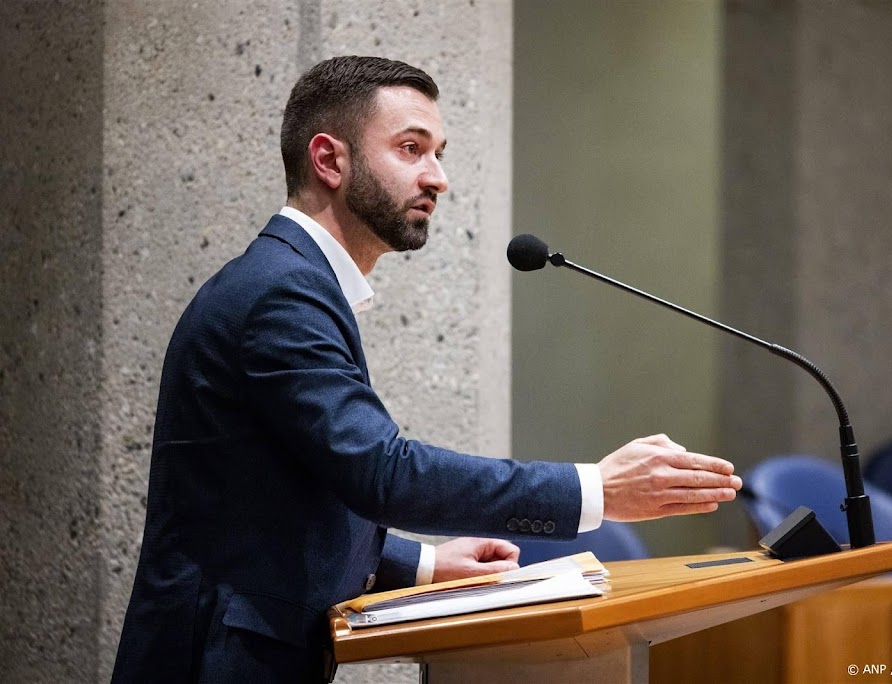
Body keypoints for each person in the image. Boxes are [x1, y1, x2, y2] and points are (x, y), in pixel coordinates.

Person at [111, 55, 743, 683]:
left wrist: (417, 564)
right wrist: (597, 490)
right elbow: (379, 471)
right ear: (329, 160)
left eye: (439, 153)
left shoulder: (289, 282)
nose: (437, 178)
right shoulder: (282, 292)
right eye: (411, 149)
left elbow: (276, 498)